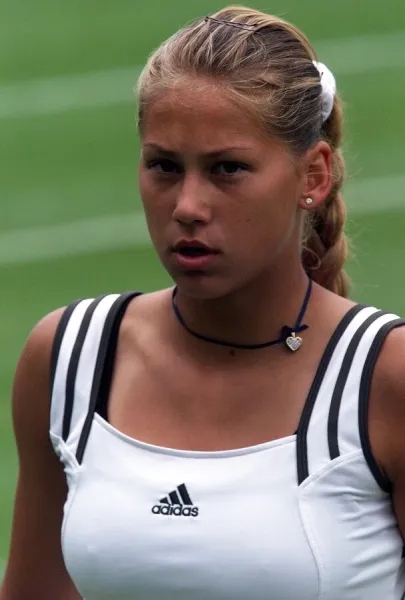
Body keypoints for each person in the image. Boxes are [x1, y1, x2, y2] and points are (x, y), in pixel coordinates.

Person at [1, 5, 405, 600]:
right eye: (164, 166)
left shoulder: (386, 379)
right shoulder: (68, 358)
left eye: (228, 169)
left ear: (313, 177)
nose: (188, 205)